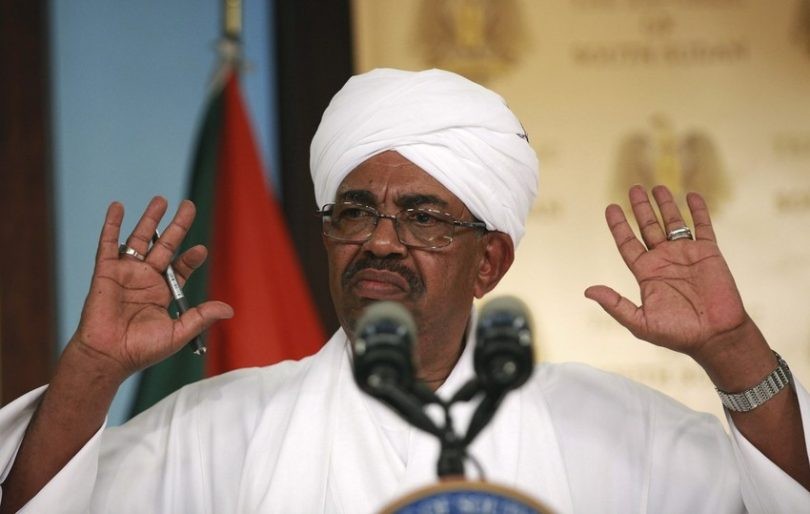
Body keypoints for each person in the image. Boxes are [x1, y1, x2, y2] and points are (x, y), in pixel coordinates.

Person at [0, 68, 808, 513]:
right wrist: (93, 368)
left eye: (423, 218)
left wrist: (733, 350)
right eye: (355, 212)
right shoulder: (218, 430)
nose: (381, 241)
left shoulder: (613, 432)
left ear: (489, 263)